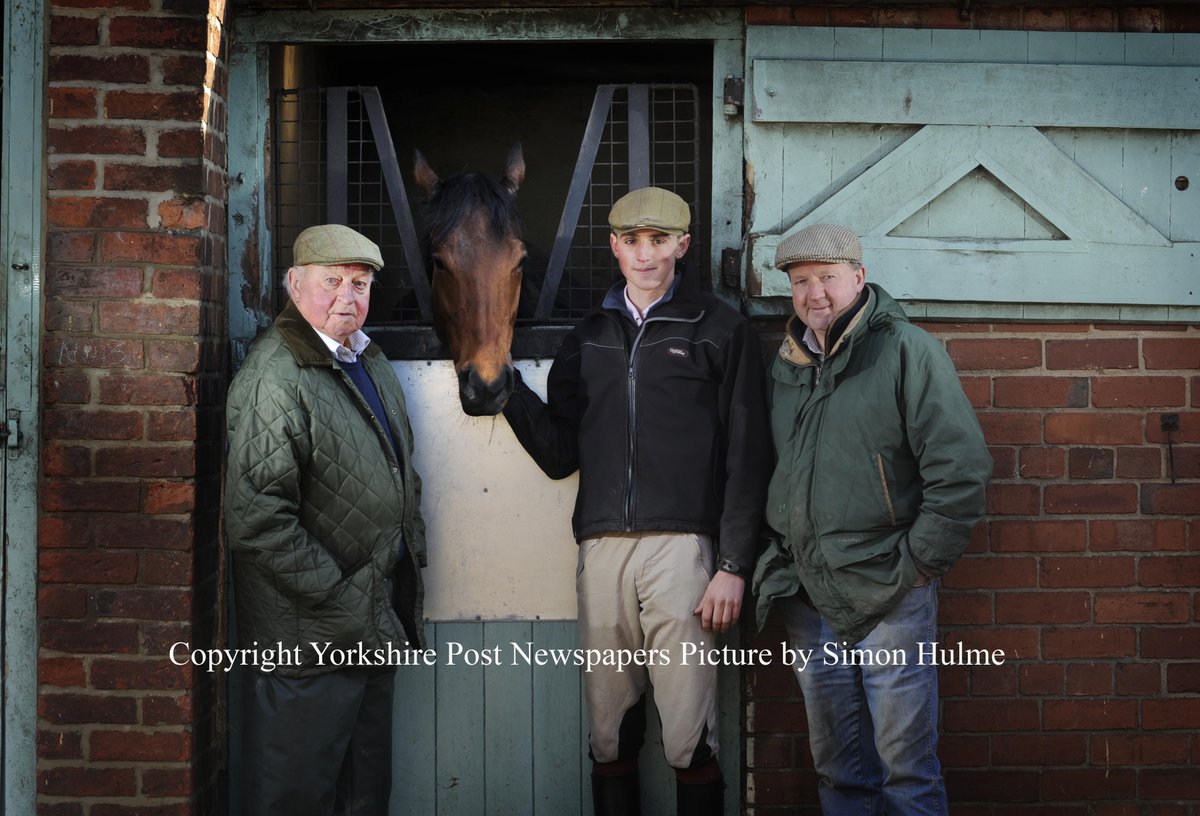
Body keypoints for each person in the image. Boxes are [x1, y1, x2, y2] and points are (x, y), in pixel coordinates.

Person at [502, 187, 772, 816]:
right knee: (607, 732)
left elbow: (748, 457)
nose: (645, 254)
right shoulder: (588, 337)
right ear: (615, 247)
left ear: (683, 244)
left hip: (686, 551)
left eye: (659, 240)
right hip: (601, 550)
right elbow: (559, 453)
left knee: (687, 737)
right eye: (632, 241)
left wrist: (733, 565)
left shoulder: (719, 329)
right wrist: (504, 386)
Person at [753, 223, 992, 814]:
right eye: (801, 282)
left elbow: (960, 468)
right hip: (810, 596)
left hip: (890, 591)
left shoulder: (907, 350)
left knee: (906, 771)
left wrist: (919, 563)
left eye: (828, 279)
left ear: (858, 279)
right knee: (839, 772)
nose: (815, 295)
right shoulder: (787, 364)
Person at [224, 224, 427, 815]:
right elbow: (256, 518)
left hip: (366, 625)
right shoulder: (276, 376)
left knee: (362, 797)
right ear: (294, 284)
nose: (347, 297)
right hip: (307, 639)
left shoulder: (367, 359)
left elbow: (398, 477)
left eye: (359, 284)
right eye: (332, 281)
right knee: (296, 796)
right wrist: (341, 598)